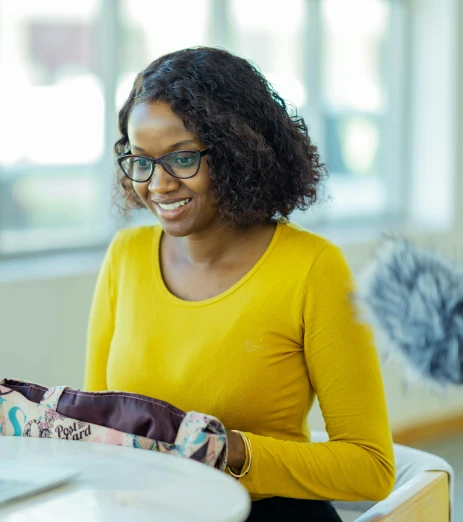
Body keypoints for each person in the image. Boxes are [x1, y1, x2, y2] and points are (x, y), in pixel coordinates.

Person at [84, 47, 396, 521]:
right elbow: (100, 426)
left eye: (182, 158)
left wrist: (229, 450)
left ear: (236, 152)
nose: (159, 185)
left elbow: (370, 468)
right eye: (141, 161)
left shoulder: (313, 268)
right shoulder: (125, 258)